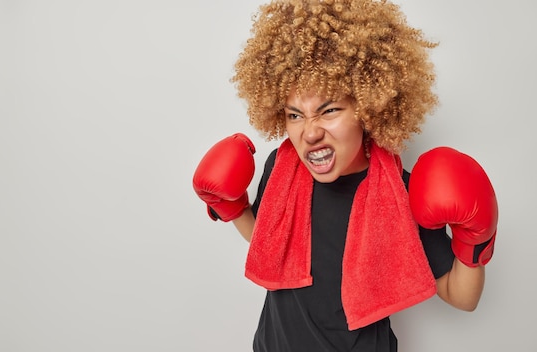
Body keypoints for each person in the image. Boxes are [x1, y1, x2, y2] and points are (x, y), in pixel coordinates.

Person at [192, 0, 498, 351]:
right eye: (294, 115)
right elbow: (271, 244)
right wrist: (232, 209)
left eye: (330, 110)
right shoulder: (282, 167)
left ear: (367, 107)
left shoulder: (403, 193)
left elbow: (460, 296)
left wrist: (475, 241)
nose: (309, 133)